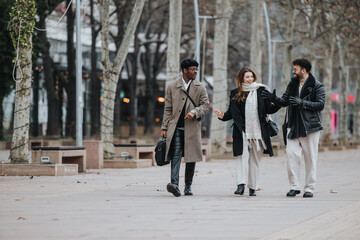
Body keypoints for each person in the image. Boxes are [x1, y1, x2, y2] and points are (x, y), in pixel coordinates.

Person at [261, 58, 325, 198]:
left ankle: (309, 188)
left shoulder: (317, 86)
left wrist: (301, 102)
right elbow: (284, 102)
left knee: (310, 159)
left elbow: (320, 104)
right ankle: (294, 187)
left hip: (310, 127)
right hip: (293, 126)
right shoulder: (293, 83)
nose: (293, 71)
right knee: (291, 156)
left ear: (304, 70)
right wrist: (273, 98)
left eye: (295, 69)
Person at [214, 67, 280, 196]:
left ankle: (252, 187)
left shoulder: (261, 90)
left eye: (251, 77)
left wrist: (276, 101)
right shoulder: (235, 93)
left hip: (258, 132)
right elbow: (231, 113)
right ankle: (240, 184)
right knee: (241, 158)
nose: (250, 79)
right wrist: (223, 116)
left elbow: (269, 109)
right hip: (242, 131)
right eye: (247, 77)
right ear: (241, 79)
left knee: (255, 161)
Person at [160, 59, 209, 197]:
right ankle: (174, 184)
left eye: (196, 69)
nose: (196, 72)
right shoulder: (172, 87)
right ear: (185, 70)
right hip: (175, 128)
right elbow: (167, 109)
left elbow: (205, 106)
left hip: (192, 128)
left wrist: (194, 112)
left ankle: (188, 186)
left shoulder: (200, 87)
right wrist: (164, 127)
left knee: (191, 158)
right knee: (176, 155)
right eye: (193, 69)